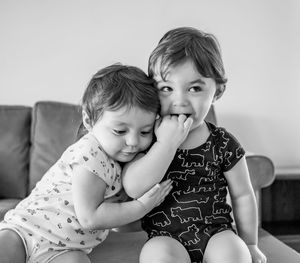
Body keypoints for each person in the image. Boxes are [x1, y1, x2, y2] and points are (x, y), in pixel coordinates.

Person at [0, 64, 174, 263]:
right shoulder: (90, 152)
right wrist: (141, 206)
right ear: (88, 119)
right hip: (26, 231)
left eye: (144, 132)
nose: (133, 141)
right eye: (120, 131)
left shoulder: (126, 162)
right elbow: (90, 218)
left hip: (64, 249)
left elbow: (118, 223)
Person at [122, 27, 267, 263]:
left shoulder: (222, 142)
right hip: (164, 237)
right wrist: (167, 144)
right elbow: (134, 188)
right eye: (167, 88)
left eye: (195, 88)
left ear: (217, 91)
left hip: (217, 234)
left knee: (236, 255)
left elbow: (242, 194)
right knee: (157, 257)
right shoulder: (148, 137)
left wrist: (250, 243)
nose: (179, 100)